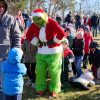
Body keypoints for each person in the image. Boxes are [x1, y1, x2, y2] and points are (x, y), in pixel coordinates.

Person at [26, 8, 66, 97]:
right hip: (41, 52)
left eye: (38, 19)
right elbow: (28, 35)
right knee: (40, 71)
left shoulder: (52, 22)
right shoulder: (34, 24)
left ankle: (54, 89)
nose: (36, 22)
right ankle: (40, 88)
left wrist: (56, 40)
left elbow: (62, 33)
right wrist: (35, 41)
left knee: (54, 71)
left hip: (53, 51)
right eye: (34, 19)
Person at [0, 0, 21, 99]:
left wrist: (16, 54)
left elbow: (17, 37)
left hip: (6, 60)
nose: (1, 8)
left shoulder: (11, 19)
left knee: (6, 87)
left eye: (3, 6)